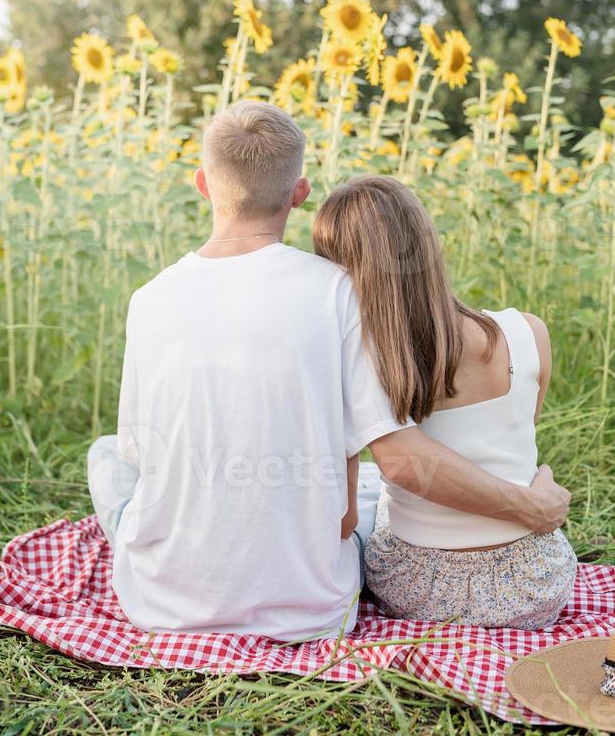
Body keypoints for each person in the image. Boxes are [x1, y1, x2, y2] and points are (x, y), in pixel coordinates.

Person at [88, 102, 570, 641]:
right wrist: (529, 503)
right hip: (311, 611)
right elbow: (376, 481)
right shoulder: (336, 291)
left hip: (163, 603)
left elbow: (141, 450)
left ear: (203, 184)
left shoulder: (148, 300)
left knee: (107, 455)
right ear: (299, 192)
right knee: (359, 490)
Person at [312, 174, 577, 630]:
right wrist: (530, 504)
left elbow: (348, 514)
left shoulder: (364, 362)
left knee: (373, 500)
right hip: (535, 585)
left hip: (423, 589)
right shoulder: (529, 331)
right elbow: (516, 443)